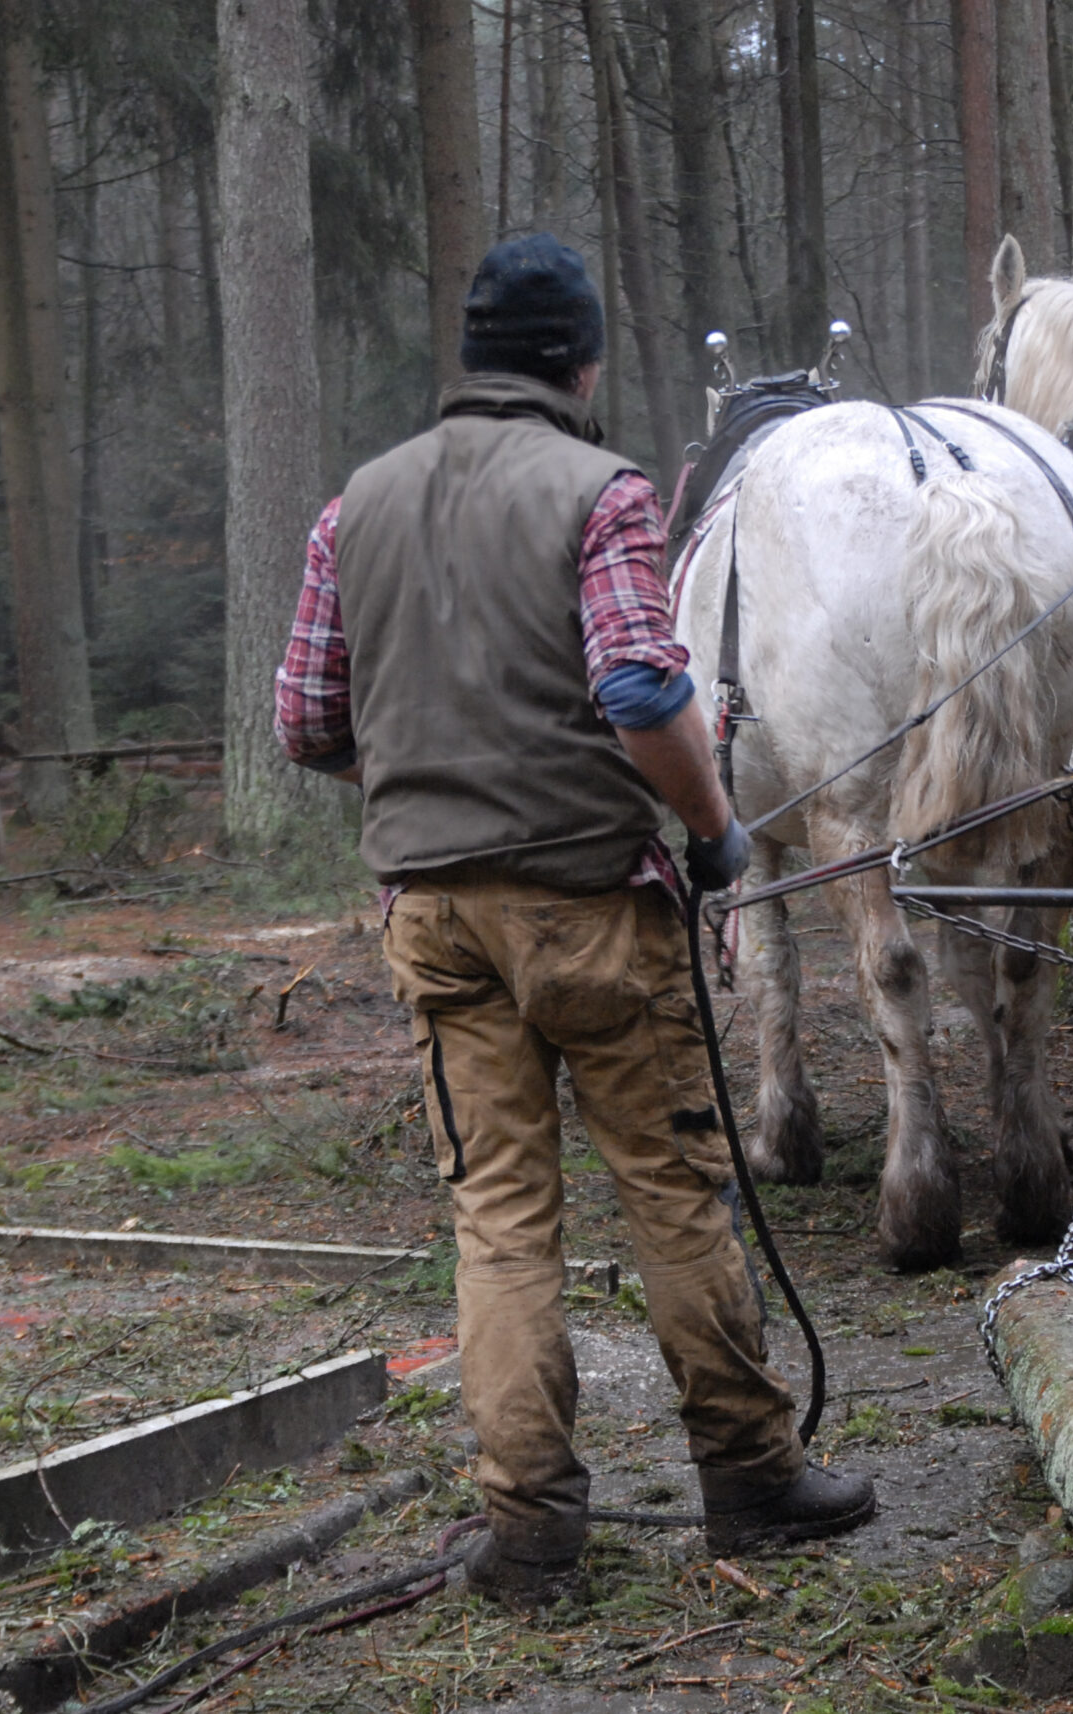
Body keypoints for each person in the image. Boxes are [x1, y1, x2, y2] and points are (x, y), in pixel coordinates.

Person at [274, 234, 875, 1608]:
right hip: (593, 909)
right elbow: (643, 691)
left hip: (435, 919)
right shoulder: (601, 494)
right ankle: (749, 1475)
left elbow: (305, 720)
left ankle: (534, 1533)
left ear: (476, 357)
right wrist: (718, 830)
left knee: (497, 1217)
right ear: (580, 363)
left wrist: (431, 774)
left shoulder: (349, 507)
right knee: (671, 1190)